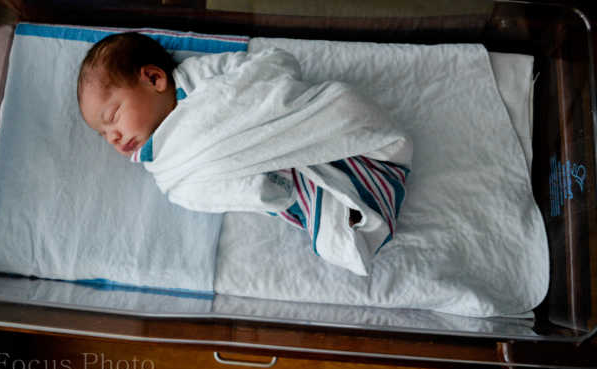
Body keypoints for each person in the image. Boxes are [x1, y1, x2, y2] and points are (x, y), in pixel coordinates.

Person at [77, 32, 412, 276]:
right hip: (273, 173)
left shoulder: (198, 77)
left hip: (293, 125)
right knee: (317, 208)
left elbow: (267, 68)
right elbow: (204, 193)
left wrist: (259, 99)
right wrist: (257, 191)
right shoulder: (167, 169)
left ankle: (358, 171)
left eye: (112, 117)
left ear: (154, 78)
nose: (113, 137)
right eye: (103, 134)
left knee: (346, 113)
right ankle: (347, 209)